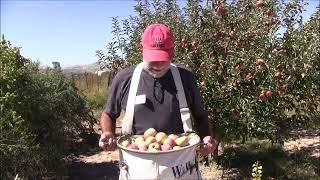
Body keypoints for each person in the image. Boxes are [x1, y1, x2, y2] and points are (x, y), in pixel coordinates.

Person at [99, 23, 216, 160]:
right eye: (153, 58)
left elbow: (200, 115)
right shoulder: (124, 78)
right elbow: (108, 114)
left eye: (163, 58)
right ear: (142, 50)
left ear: (173, 52)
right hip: (138, 160)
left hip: (179, 161)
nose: (158, 64)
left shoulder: (185, 77)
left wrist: (207, 137)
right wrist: (107, 132)